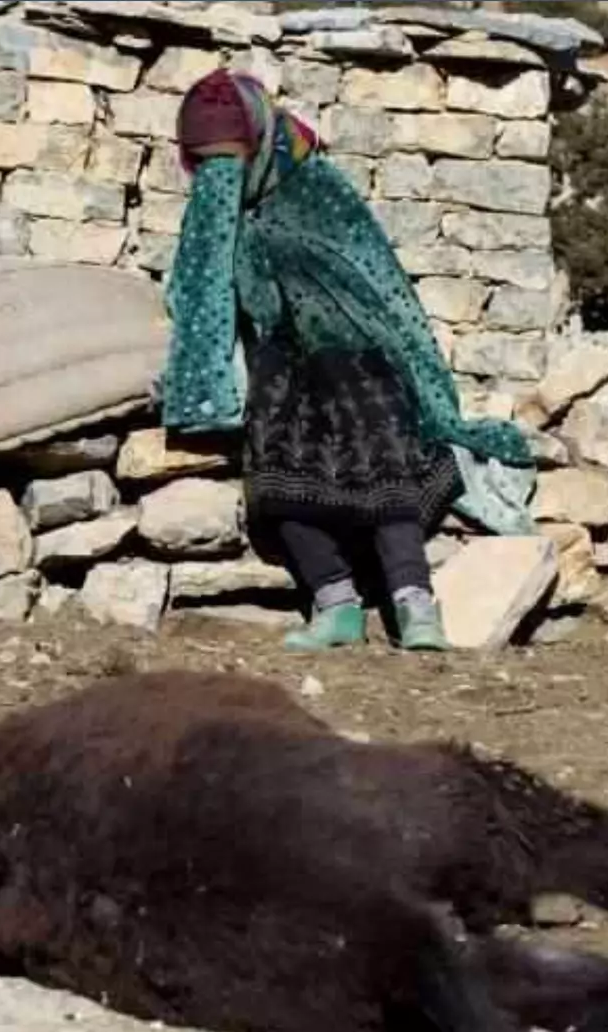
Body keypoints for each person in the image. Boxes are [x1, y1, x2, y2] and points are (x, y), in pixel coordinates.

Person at [156, 69, 538, 652]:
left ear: (259, 143)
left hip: (363, 359)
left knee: (386, 468)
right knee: (276, 476)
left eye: (229, 162)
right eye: (208, 166)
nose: (220, 179)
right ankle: (336, 604)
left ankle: (417, 607)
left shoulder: (319, 191)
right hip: (285, 368)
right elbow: (202, 287)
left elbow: (375, 285)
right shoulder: (223, 206)